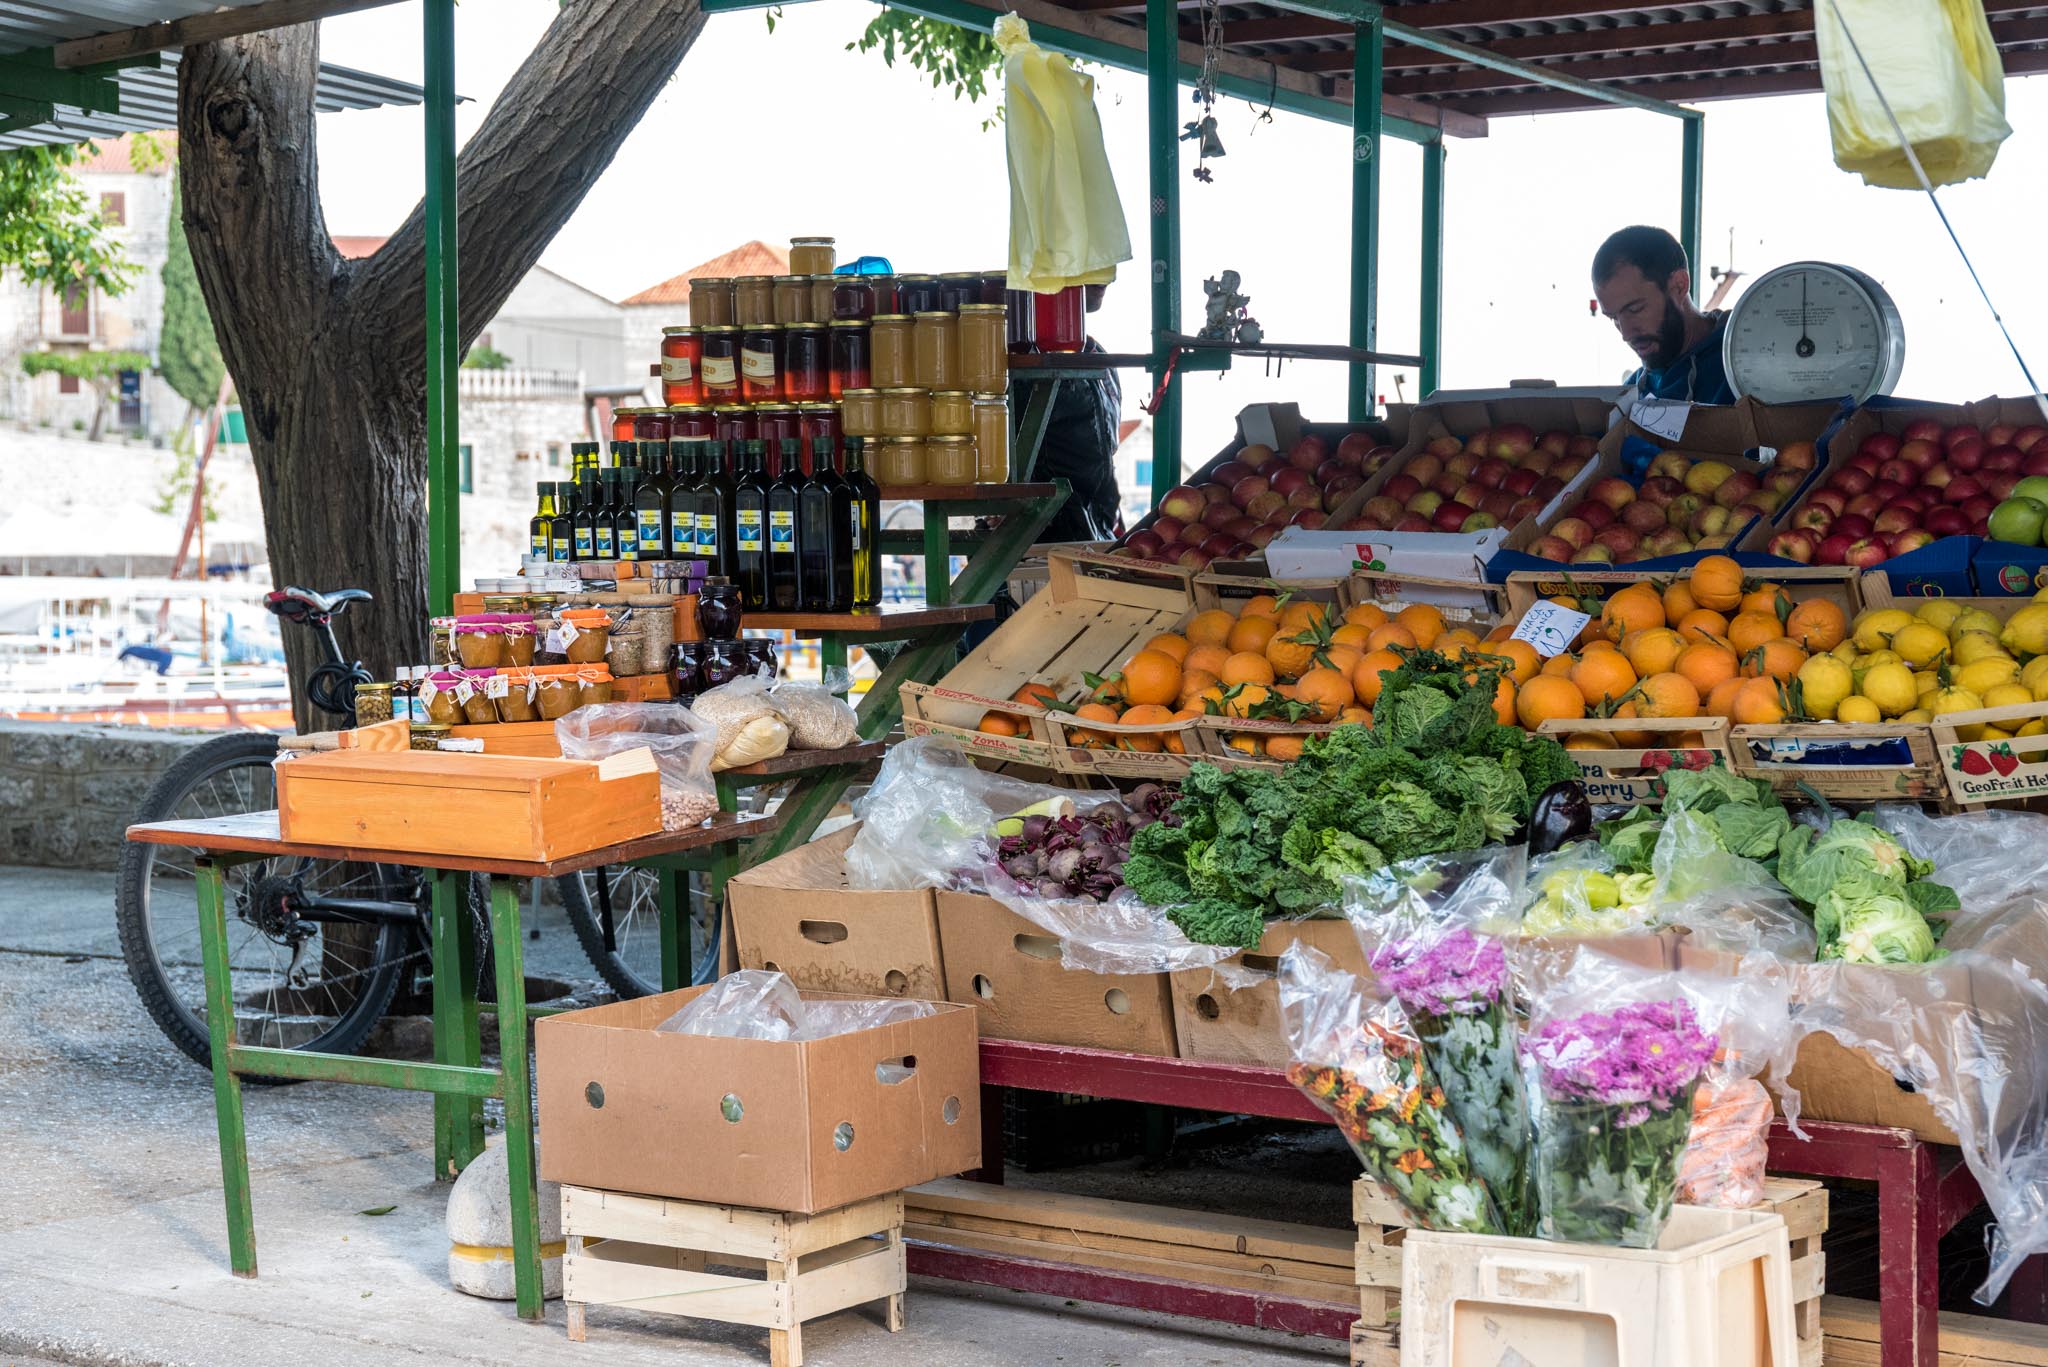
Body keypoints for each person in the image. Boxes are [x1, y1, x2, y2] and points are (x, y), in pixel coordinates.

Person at [1013, 282, 1124, 545]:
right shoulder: (1018, 365)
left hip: (1098, 537)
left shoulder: (1098, 357)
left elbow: (1104, 464)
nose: (1106, 276)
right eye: (1086, 258)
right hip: (1034, 548)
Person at [1592, 226, 1735, 406]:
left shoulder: (1746, 367)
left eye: (1635, 309)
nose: (1626, 334)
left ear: (1679, 286)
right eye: (1613, 318)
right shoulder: (1629, 397)